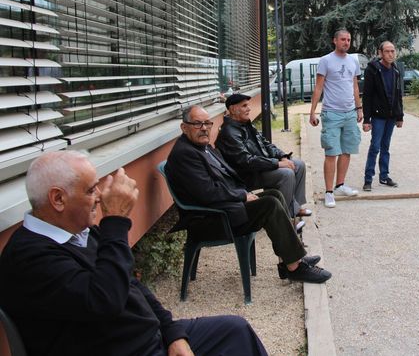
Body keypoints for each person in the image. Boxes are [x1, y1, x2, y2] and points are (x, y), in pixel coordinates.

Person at [0, 151, 268, 356]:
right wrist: (115, 220)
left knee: (235, 330)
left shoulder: (81, 232)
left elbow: (131, 284)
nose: (100, 197)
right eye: (91, 189)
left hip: (149, 340)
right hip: (122, 350)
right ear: (58, 199)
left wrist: (173, 333)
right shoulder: (29, 258)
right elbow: (105, 301)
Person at [166, 105, 331, 283]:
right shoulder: (185, 154)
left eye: (207, 123)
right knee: (270, 204)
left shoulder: (201, 146)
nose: (204, 128)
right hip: (211, 219)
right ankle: (295, 268)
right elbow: (207, 192)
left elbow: (225, 179)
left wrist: (243, 192)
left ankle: (291, 258)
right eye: (197, 124)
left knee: (274, 195)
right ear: (184, 127)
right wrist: (242, 196)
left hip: (224, 208)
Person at [217, 93, 312, 219]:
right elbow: (247, 161)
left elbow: (266, 145)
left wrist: (282, 156)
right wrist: (277, 163)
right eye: (244, 106)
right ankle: (284, 217)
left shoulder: (246, 125)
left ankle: (294, 208)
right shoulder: (229, 132)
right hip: (247, 175)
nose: (249, 109)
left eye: (248, 105)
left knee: (298, 164)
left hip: (260, 168)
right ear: (233, 109)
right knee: (286, 174)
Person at [309, 29, 363, 208]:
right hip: (331, 113)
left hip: (349, 113)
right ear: (334, 41)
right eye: (342, 39)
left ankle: (340, 185)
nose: (346, 42)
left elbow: (355, 87)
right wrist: (312, 112)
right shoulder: (325, 61)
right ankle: (329, 192)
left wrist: (359, 108)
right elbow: (318, 88)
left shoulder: (353, 61)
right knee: (332, 152)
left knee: (347, 150)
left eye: (348, 39)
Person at [361, 41, 404, 191]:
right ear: (380, 53)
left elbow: (398, 94)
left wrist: (400, 116)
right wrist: (367, 119)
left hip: (391, 117)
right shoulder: (373, 70)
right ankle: (368, 179)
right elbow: (367, 96)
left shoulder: (396, 70)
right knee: (375, 147)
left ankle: (384, 176)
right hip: (378, 116)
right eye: (387, 51)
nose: (391, 54)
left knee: (386, 147)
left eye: (393, 51)